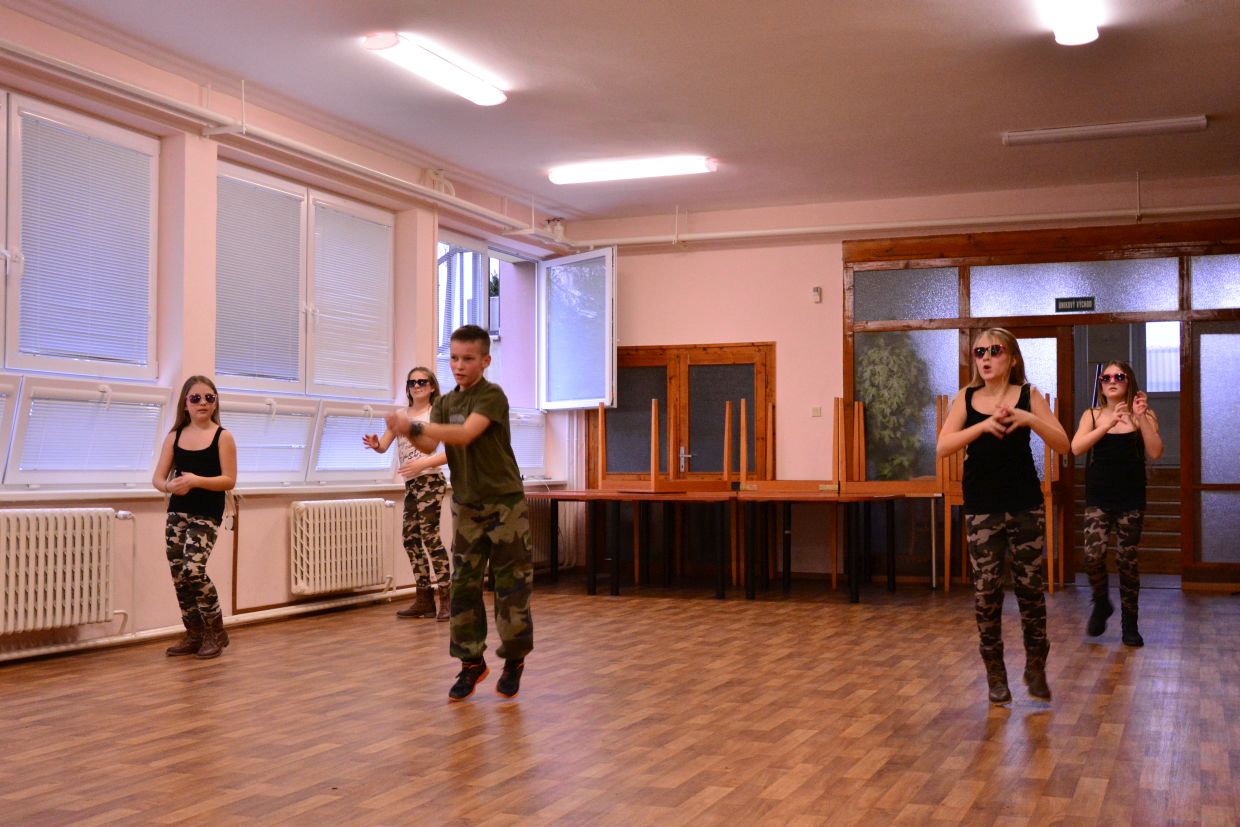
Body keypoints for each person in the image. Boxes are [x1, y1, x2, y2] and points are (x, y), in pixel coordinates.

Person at [386, 325, 533, 701]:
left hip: (505, 505)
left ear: (485, 361)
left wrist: (414, 424)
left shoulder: (492, 396)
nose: (459, 365)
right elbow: (429, 443)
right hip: (467, 505)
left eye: (468, 359)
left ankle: (513, 660)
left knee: (510, 586)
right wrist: (407, 430)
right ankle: (471, 664)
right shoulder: (446, 403)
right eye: (453, 358)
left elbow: (466, 434)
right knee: (464, 586)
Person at [937, 328, 1069, 704]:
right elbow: (943, 446)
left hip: (1025, 505)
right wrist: (981, 426)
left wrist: (1029, 419)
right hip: (982, 508)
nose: (986, 358)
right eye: (980, 352)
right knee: (987, 593)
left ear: (1011, 358)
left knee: (1030, 590)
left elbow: (1063, 444)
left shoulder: (1029, 394)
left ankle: (1036, 664)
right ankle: (995, 673)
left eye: (995, 351)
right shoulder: (966, 398)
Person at [1070, 361, 1163, 647]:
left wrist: (1141, 417)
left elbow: (1155, 452)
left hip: (1131, 497)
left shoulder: (1144, 415)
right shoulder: (1092, 415)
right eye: (1106, 377)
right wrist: (1108, 424)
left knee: (1126, 559)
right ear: (1100, 384)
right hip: (1099, 497)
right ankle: (1101, 602)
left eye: (1119, 376)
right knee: (1092, 555)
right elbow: (1076, 447)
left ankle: (1130, 624)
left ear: (1128, 381)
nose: (1111, 381)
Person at [152, 376, 237, 660]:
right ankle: (194, 633)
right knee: (179, 574)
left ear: (216, 402)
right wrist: (169, 486)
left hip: (207, 512)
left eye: (209, 398)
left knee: (193, 569)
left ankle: (216, 631)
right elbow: (157, 478)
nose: (203, 403)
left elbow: (229, 480)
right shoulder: (174, 436)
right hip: (177, 512)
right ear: (185, 403)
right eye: (196, 398)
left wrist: (196, 480)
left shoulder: (223, 437)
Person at [363, 367, 450, 621]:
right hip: (411, 484)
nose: (417, 386)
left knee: (430, 537)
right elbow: (384, 445)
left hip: (430, 480)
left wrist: (423, 464)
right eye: (412, 382)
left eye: (422, 382)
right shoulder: (401, 416)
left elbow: (452, 452)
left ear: (432, 387)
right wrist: (376, 445)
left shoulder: (436, 413)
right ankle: (424, 599)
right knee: (410, 538)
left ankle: (447, 597)